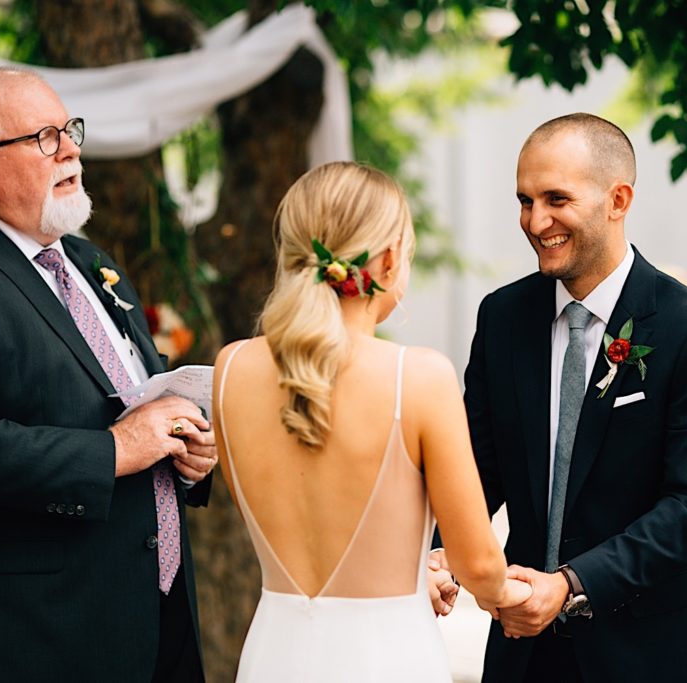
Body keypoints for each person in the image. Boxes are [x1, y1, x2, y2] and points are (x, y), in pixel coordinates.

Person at [0, 67, 217, 682]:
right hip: (42, 633)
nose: (70, 150)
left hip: (159, 609)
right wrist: (117, 450)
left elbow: (140, 398)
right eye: (43, 137)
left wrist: (189, 453)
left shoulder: (90, 261)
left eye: (69, 130)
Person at [456, 113, 687, 682]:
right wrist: (443, 553)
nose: (536, 221)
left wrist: (570, 583)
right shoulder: (502, 317)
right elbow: (476, 468)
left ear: (618, 200)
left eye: (556, 199)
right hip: (526, 655)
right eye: (524, 200)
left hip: (656, 652)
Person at [212, 161, 531, 681]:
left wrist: (407, 571)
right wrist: (523, 595)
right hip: (388, 658)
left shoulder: (230, 370)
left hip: (273, 654)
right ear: (387, 262)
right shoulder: (418, 377)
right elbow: (478, 565)